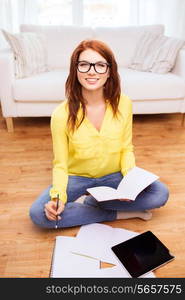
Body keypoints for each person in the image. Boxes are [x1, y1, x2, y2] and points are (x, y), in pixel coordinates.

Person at [29, 39, 169, 229]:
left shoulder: (124, 104)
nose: (92, 71)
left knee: (160, 193)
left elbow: (126, 148)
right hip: (77, 178)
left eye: (100, 65)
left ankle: (92, 205)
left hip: (114, 176)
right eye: (84, 65)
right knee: (39, 214)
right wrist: (58, 198)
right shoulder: (60, 114)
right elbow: (60, 165)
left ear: (109, 71)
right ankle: (115, 212)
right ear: (75, 70)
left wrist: (130, 183)